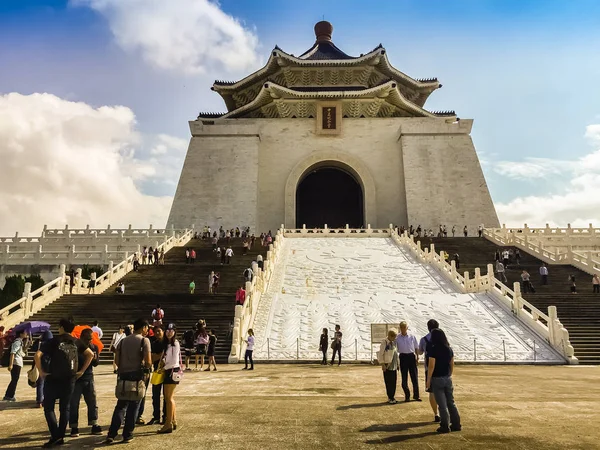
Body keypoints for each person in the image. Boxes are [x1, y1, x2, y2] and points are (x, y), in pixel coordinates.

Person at [35, 318, 94, 448]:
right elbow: (90, 354)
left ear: (61, 327)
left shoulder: (53, 341)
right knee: (65, 407)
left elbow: (37, 355)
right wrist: (82, 371)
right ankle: (60, 436)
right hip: (70, 378)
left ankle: (55, 435)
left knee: (49, 407)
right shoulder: (76, 341)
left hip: (53, 378)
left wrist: (41, 372)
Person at [104, 319, 152, 445]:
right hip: (137, 376)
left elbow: (117, 361)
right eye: (147, 328)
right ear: (143, 328)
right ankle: (127, 434)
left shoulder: (123, 340)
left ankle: (112, 434)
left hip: (123, 376)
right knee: (134, 406)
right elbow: (148, 361)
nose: (147, 330)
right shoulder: (144, 340)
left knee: (120, 406)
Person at [426, 329, 461, 433]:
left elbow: (431, 366)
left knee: (442, 404)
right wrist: (450, 374)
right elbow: (451, 363)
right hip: (447, 377)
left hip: (437, 378)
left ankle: (445, 426)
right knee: (451, 402)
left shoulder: (433, 349)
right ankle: (456, 424)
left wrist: (428, 380)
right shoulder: (448, 348)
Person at [69, 328, 101, 437]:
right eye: (87, 339)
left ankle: (94, 423)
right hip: (77, 379)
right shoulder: (76, 347)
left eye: (91, 339)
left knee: (92, 402)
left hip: (88, 377)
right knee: (74, 403)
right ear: (81, 338)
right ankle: (74, 426)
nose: (89, 341)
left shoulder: (93, 347)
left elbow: (96, 363)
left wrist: (94, 354)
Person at [158, 323, 181, 434]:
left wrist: (164, 368)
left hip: (171, 371)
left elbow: (173, 361)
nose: (169, 332)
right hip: (170, 370)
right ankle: (173, 420)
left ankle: (168, 424)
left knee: (168, 398)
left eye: (172, 330)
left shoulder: (174, 343)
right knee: (170, 398)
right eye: (167, 330)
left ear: (175, 332)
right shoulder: (167, 344)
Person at [418, 319, 440, 423]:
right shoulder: (442, 338)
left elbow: (420, 352)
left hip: (428, 368)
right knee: (442, 392)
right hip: (442, 368)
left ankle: (436, 414)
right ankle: (444, 411)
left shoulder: (424, 340)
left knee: (432, 392)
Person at [395, 321, 420, 402]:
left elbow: (416, 347)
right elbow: (395, 350)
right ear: (400, 328)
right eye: (401, 327)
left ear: (407, 328)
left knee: (414, 377)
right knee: (404, 377)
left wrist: (417, 357)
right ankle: (407, 395)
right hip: (402, 357)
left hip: (411, 356)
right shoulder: (397, 338)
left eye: (404, 327)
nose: (403, 329)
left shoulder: (412, 336)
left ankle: (416, 395)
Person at [147, 326, 167, 426]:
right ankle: (156, 416)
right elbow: (152, 358)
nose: (157, 333)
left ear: (163, 332)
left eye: (159, 331)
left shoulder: (168, 343)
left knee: (166, 396)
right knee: (155, 395)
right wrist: (162, 355)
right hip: (157, 371)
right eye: (155, 332)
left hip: (167, 372)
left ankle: (165, 416)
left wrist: (158, 356)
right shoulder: (154, 343)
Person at [3, 328, 29, 402]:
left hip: (18, 362)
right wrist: (10, 364)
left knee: (15, 380)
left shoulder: (20, 342)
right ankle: (9, 395)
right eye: (25, 332)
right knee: (14, 379)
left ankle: (9, 395)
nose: (26, 334)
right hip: (16, 363)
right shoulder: (17, 342)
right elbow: (13, 353)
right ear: (21, 334)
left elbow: (21, 352)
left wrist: (28, 344)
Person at [31, 330, 53, 408]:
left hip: (40, 364)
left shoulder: (40, 344)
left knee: (40, 383)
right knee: (50, 383)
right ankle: (48, 399)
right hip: (50, 365)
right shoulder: (52, 344)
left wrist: (38, 340)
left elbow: (33, 349)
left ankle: (39, 401)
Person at [378, 329, 400, 404]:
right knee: (388, 382)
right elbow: (381, 354)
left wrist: (397, 364)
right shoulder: (384, 342)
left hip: (394, 365)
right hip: (387, 365)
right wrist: (382, 364)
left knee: (394, 382)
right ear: (390, 336)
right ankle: (390, 397)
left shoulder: (394, 343)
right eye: (394, 337)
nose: (395, 338)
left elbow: (396, 354)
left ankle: (392, 396)